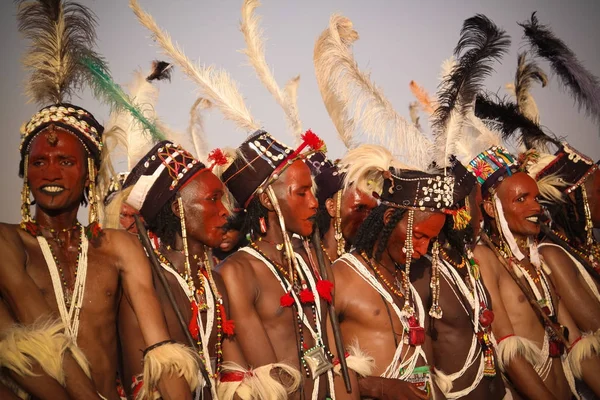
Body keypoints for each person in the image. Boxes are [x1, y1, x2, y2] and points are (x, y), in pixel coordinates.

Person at [0, 1, 198, 398]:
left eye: (65, 161)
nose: (50, 173)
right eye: (38, 161)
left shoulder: (118, 247)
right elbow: (22, 346)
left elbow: (158, 346)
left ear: (89, 172)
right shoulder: (7, 242)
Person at [218, 130, 351, 400]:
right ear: (268, 200)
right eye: (301, 193)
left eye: (312, 192)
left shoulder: (314, 258)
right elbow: (268, 379)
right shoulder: (239, 271)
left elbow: (337, 360)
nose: (314, 203)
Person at [471, 146, 600, 399]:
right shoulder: (484, 258)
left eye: (536, 199)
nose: (536, 207)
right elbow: (510, 354)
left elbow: (576, 343)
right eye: (521, 199)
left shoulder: (538, 262)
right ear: (490, 208)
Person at [330, 144, 455, 399]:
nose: (422, 249)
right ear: (388, 219)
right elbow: (319, 363)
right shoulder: (341, 277)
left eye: (430, 240)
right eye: (418, 236)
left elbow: (425, 367)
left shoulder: (405, 276)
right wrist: (378, 387)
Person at [307, 151, 378, 264]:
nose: (367, 218)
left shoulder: (366, 266)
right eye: (359, 208)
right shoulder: (306, 260)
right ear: (332, 207)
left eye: (373, 211)